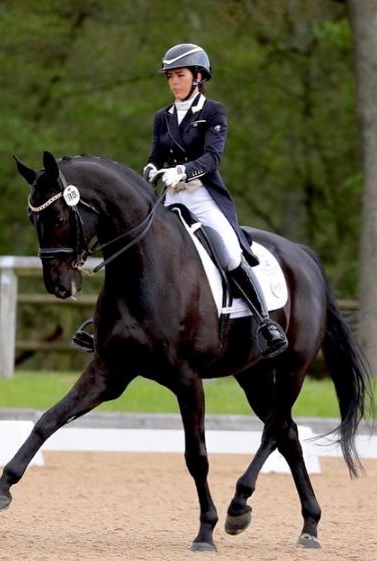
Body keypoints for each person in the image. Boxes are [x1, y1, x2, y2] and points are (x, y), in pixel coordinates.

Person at [143, 43, 288, 358]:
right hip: (170, 198)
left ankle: (265, 322)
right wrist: (152, 168)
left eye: (180, 75)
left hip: (202, 196)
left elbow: (212, 157)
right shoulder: (162, 117)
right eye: (170, 77)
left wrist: (182, 170)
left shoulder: (213, 112)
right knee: (142, 249)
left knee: (230, 253)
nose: (174, 83)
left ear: (197, 77)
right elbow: (155, 155)